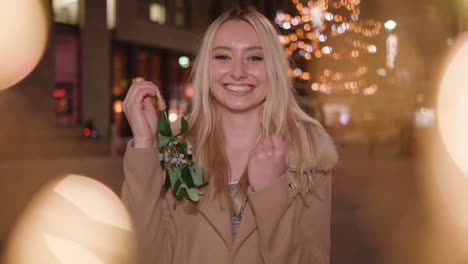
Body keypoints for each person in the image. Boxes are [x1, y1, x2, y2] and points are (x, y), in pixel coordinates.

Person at [121, 8, 338, 264]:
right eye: (223, 56)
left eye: (255, 58)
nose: (238, 72)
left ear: (275, 68)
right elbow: (143, 254)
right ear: (205, 67)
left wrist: (271, 192)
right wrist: (145, 145)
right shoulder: (175, 148)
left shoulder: (308, 150)